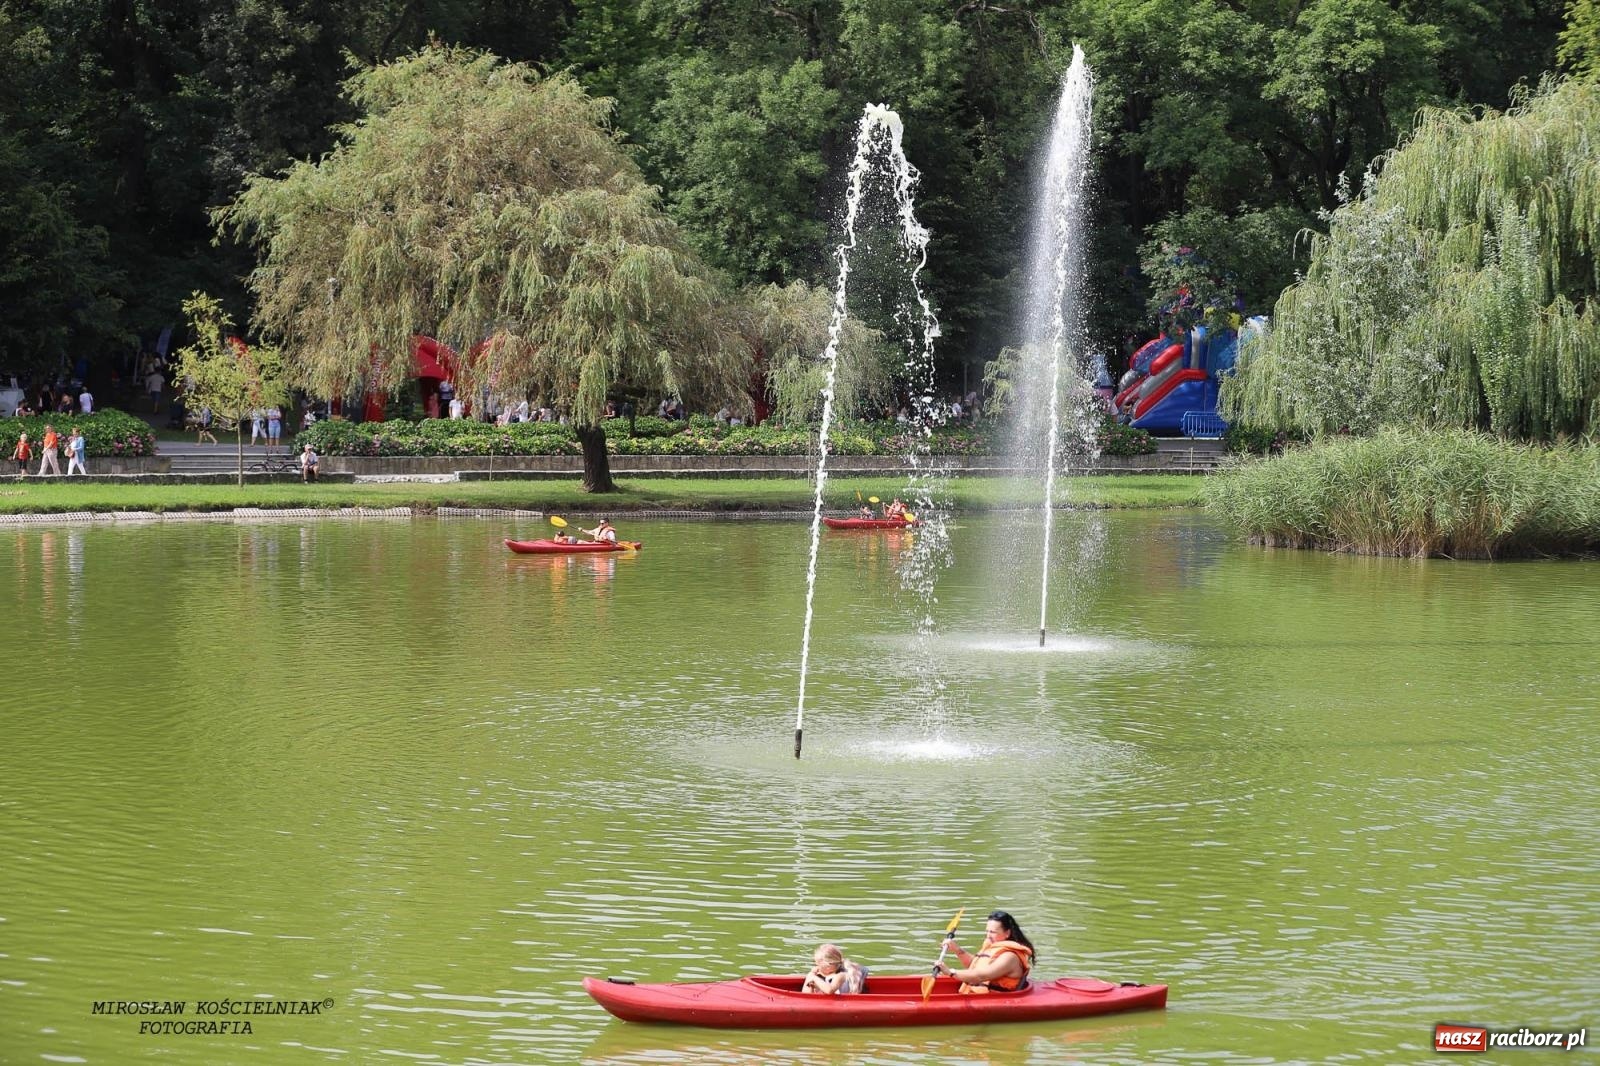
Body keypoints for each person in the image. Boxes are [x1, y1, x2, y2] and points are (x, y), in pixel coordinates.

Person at [932, 910, 1035, 994]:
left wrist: (950, 972)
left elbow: (982, 976)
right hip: (980, 996)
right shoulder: (993, 947)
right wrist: (958, 950)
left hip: (998, 1001)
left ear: (1007, 933)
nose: (988, 936)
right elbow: (975, 965)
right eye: (987, 931)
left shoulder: (1009, 957)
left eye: (993, 932)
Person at [801, 944, 867, 995]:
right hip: (828, 1002)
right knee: (810, 976)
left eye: (818, 964)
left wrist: (813, 977)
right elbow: (806, 994)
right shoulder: (821, 975)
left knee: (810, 976)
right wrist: (811, 981)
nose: (816, 967)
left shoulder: (841, 975)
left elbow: (829, 991)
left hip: (841, 1003)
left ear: (828, 966)